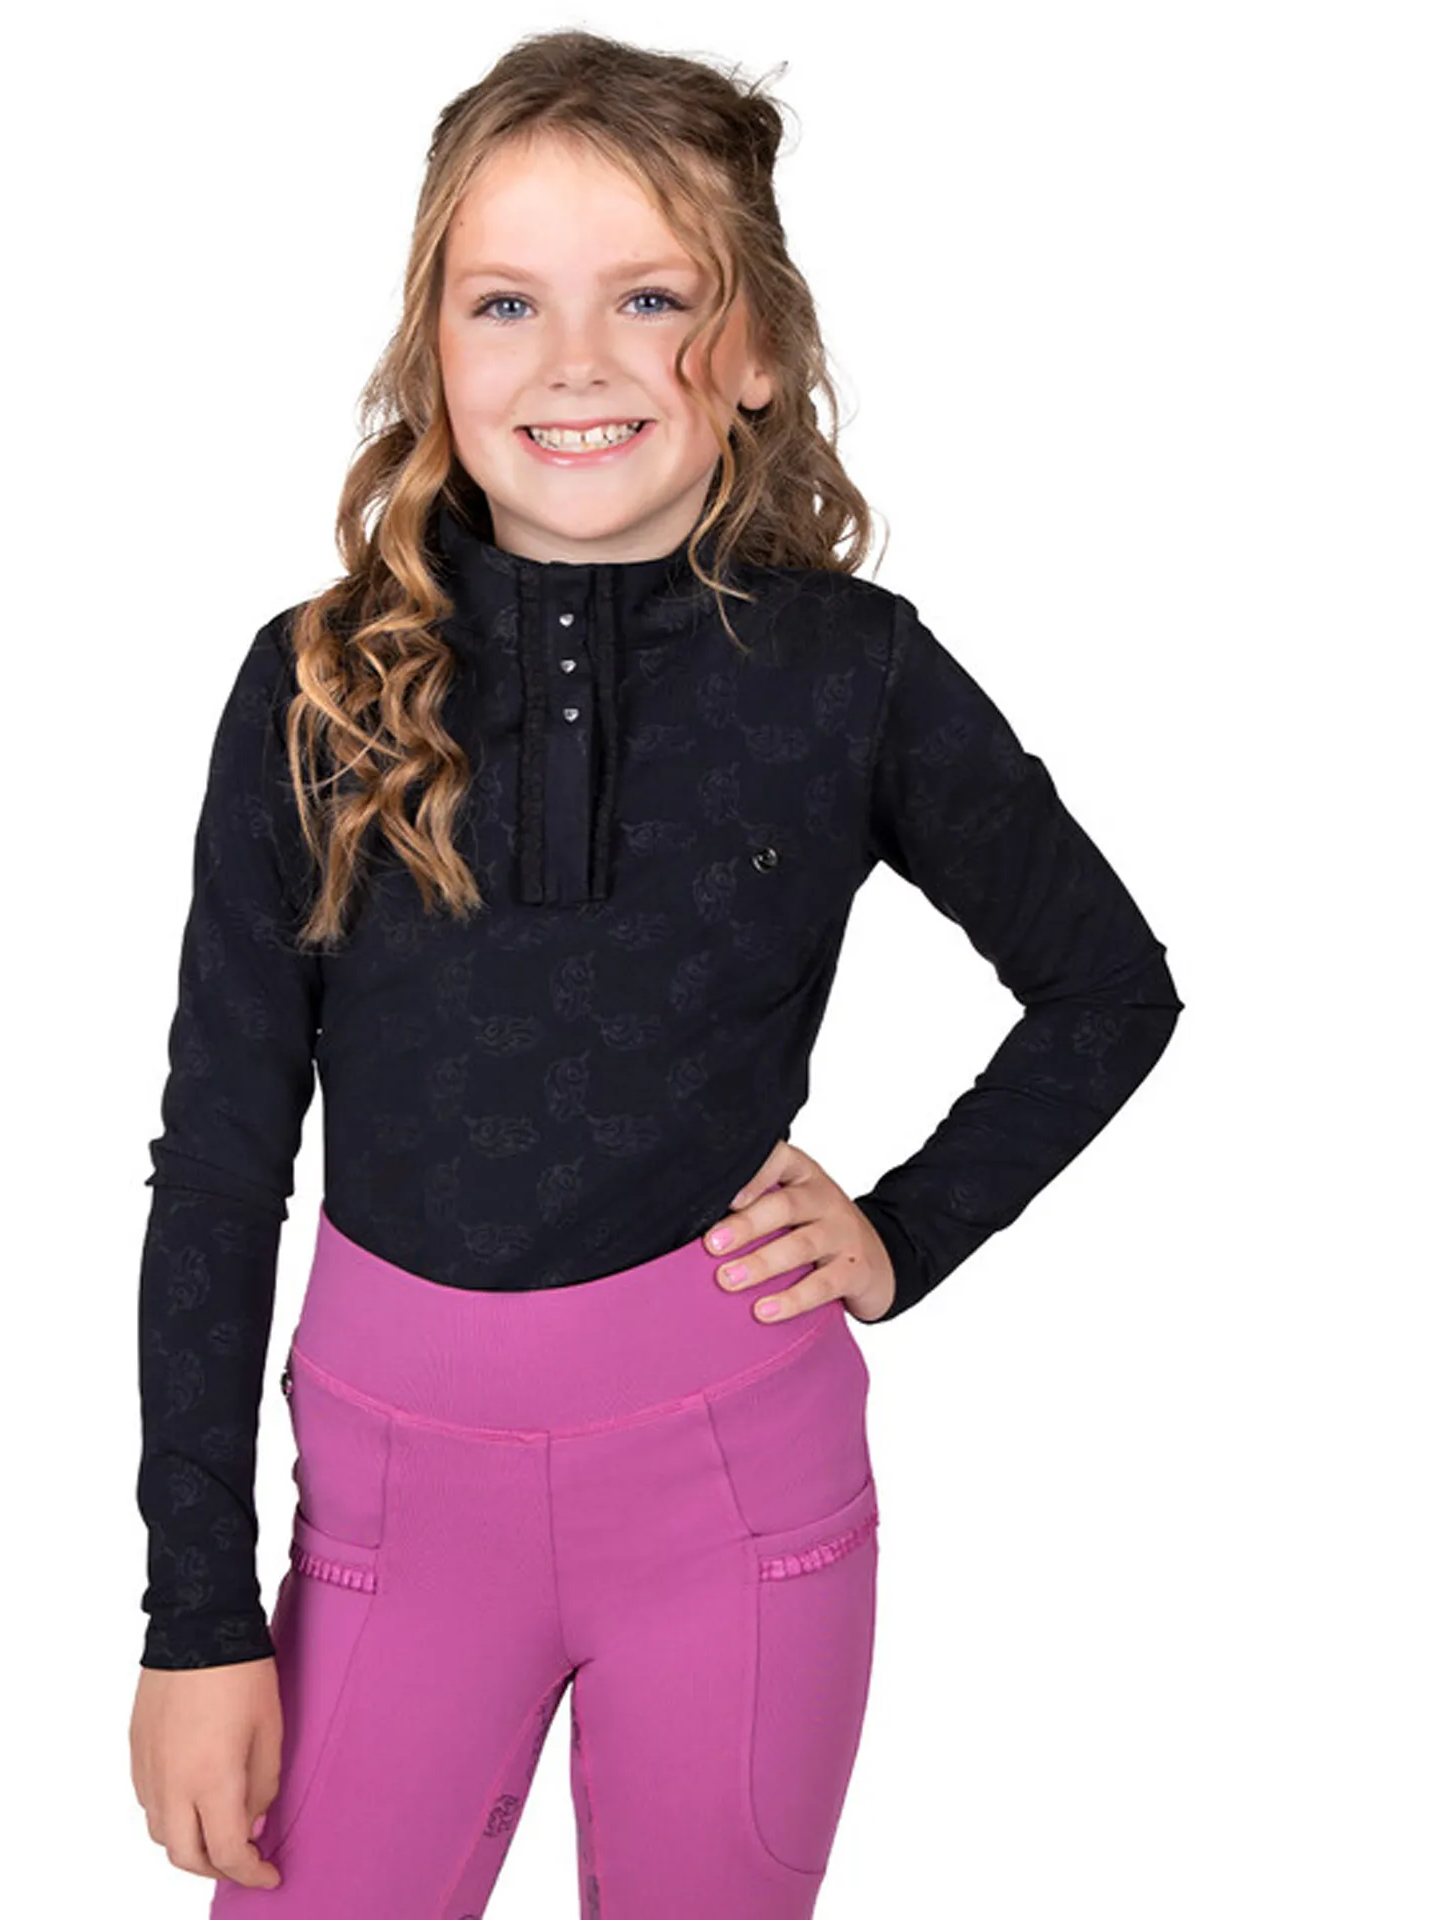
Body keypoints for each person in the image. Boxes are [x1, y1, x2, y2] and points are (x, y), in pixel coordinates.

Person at [127, 28, 1183, 1918]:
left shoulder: (851, 673)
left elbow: (1109, 987)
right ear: (432, 350)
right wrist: (195, 1613)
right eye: (506, 302)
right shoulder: (313, 688)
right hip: (387, 1524)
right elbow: (217, 1170)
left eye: (651, 297)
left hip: (736, 1508)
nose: (576, 361)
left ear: (755, 345)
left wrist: (906, 1231)